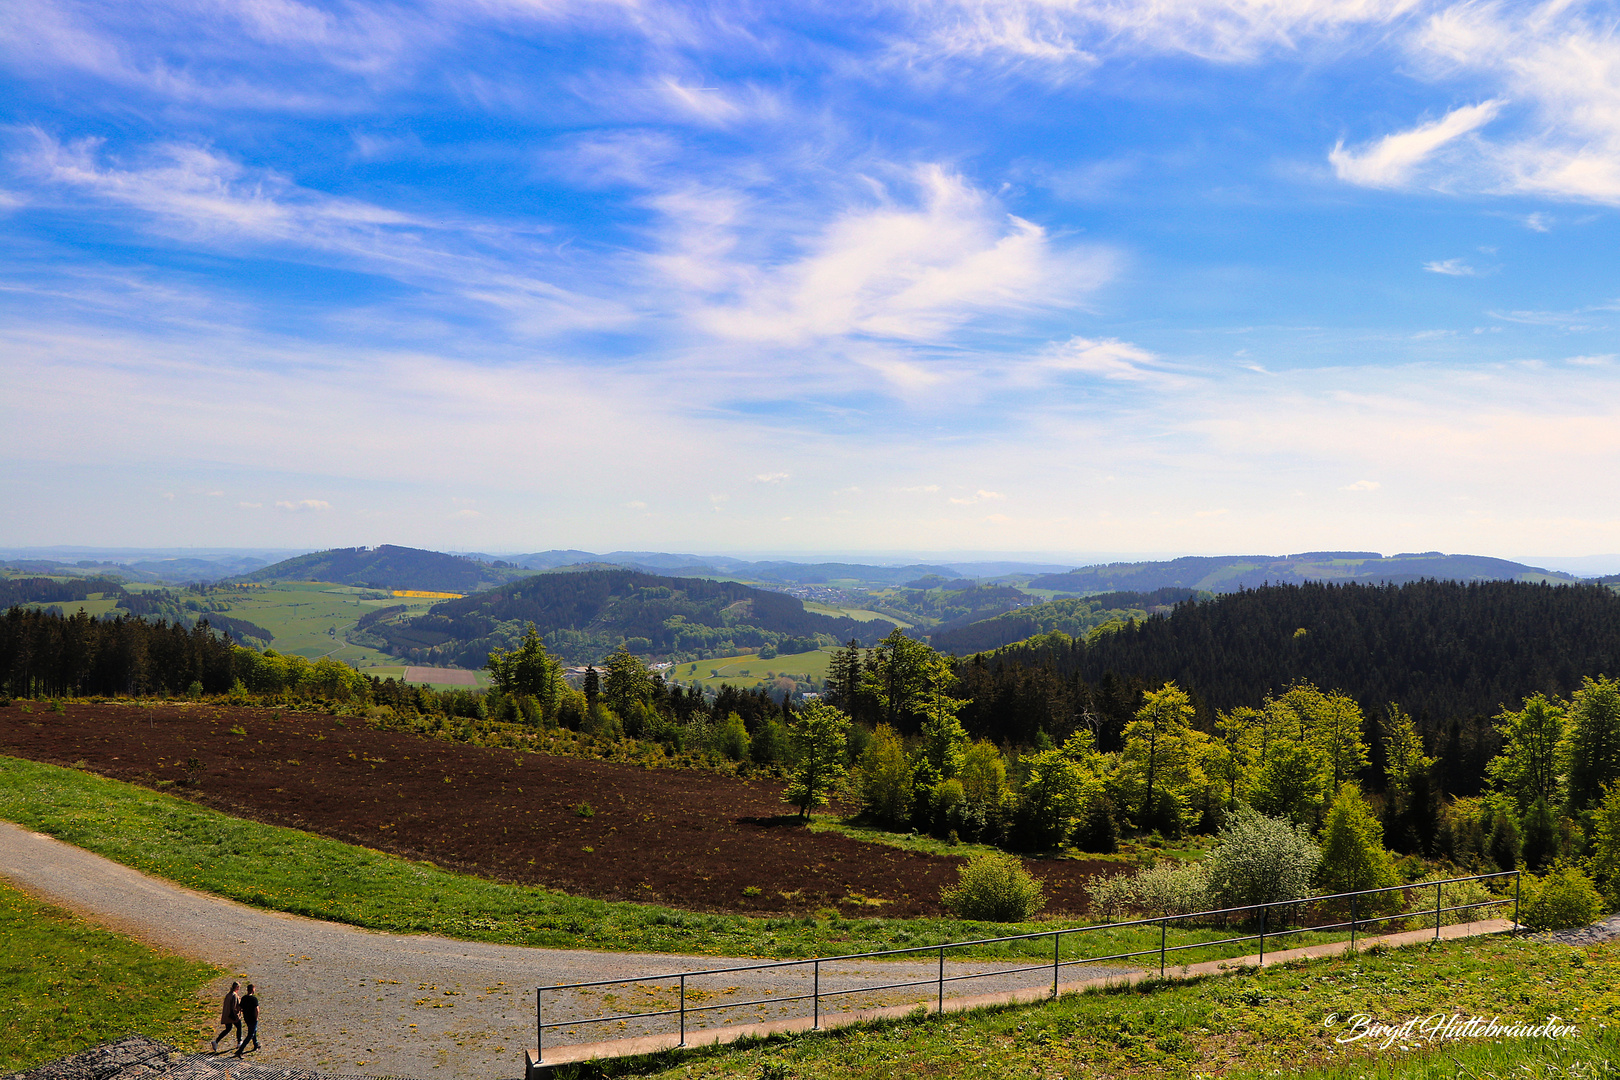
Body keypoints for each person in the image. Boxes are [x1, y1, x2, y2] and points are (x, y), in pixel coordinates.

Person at [210, 982, 242, 1053]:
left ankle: (216, 1041)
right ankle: (239, 1042)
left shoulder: (228, 995)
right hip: (232, 1016)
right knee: (239, 1026)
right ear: (237, 987)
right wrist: (237, 1015)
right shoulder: (234, 995)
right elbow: (234, 1007)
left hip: (227, 1015)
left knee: (228, 1029)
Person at [234, 984, 260, 1056]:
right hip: (253, 1018)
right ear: (252, 990)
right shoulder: (254, 999)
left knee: (253, 1030)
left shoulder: (244, 998)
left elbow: (239, 1008)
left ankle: (256, 1044)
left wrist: (243, 1011)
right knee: (250, 1034)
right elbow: (257, 1009)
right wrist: (256, 1017)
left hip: (246, 1018)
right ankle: (240, 1050)